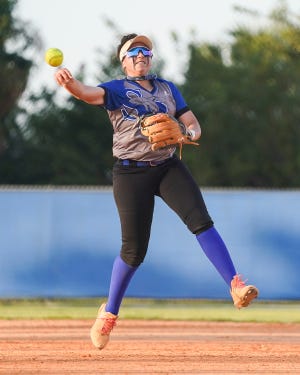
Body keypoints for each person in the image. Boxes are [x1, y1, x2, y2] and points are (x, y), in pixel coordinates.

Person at [54, 33, 259, 350]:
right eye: (133, 51)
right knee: (134, 251)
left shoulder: (167, 88)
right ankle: (109, 313)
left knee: (201, 222)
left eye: (146, 51)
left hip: (167, 166)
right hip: (130, 172)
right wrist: (68, 83)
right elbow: (85, 93)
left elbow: (193, 124)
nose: (141, 55)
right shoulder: (115, 89)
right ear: (123, 60)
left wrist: (186, 133)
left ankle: (235, 285)